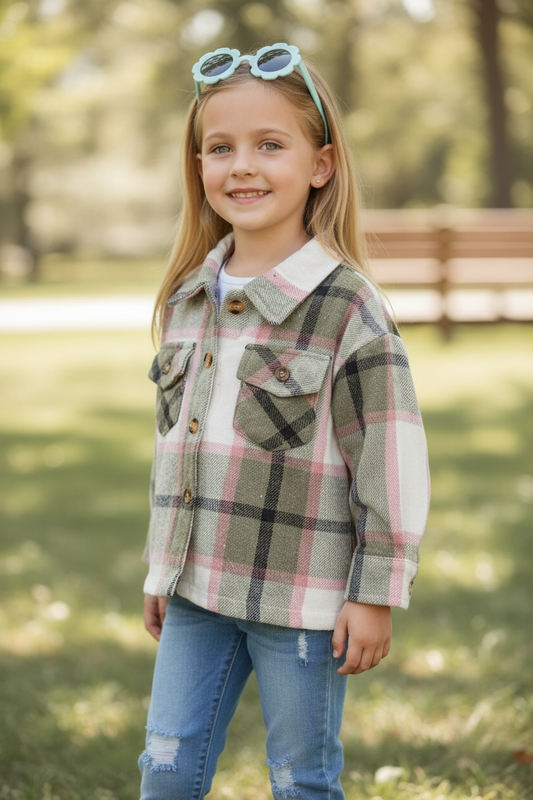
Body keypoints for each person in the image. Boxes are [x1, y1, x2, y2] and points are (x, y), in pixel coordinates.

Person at [138, 43, 430, 800]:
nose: (242, 166)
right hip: (197, 592)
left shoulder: (347, 307)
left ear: (321, 165)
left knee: (300, 779)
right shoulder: (186, 300)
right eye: (220, 148)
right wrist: (162, 567)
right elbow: (177, 448)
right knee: (164, 771)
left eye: (270, 145)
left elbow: (389, 460)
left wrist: (375, 591)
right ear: (197, 166)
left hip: (303, 601)